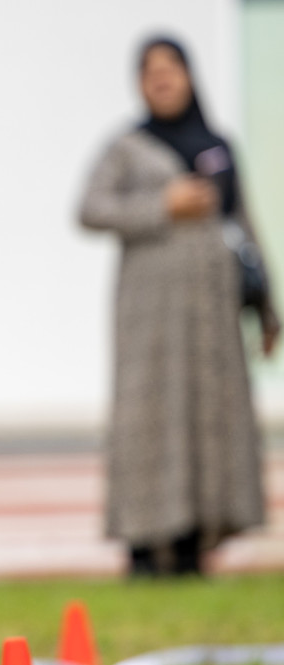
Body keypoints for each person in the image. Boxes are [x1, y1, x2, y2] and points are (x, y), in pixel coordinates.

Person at [79, 36, 278, 578]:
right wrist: (162, 204)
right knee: (150, 416)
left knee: (205, 416)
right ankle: (145, 545)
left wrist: (266, 308)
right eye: (150, 71)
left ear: (190, 75)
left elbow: (243, 225)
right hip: (150, 313)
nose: (162, 78)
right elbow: (90, 208)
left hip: (211, 315)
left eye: (172, 68)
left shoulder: (217, 146)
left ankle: (195, 540)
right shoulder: (128, 147)